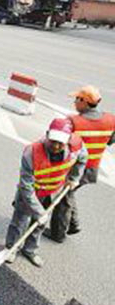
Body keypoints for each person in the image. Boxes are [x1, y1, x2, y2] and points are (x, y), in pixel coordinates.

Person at [5, 119, 87, 267]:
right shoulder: (32, 152)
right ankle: (12, 248)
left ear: (68, 140)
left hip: (51, 192)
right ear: (48, 134)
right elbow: (26, 186)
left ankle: (29, 250)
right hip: (30, 192)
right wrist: (38, 211)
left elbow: (82, 159)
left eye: (60, 143)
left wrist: (74, 178)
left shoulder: (76, 148)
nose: (56, 146)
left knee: (40, 224)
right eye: (53, 141)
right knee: (20, 221)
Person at [45, 85, 115, 243]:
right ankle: (73, 223)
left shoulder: (73, 121)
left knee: (63, 199)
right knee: (68, 193)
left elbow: (59, 144)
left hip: (73, 168)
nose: (74, 102)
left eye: (77, 99)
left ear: (85, 101)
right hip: (91, 169)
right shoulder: (111, 119)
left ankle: (58, 234)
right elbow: (110, 141)